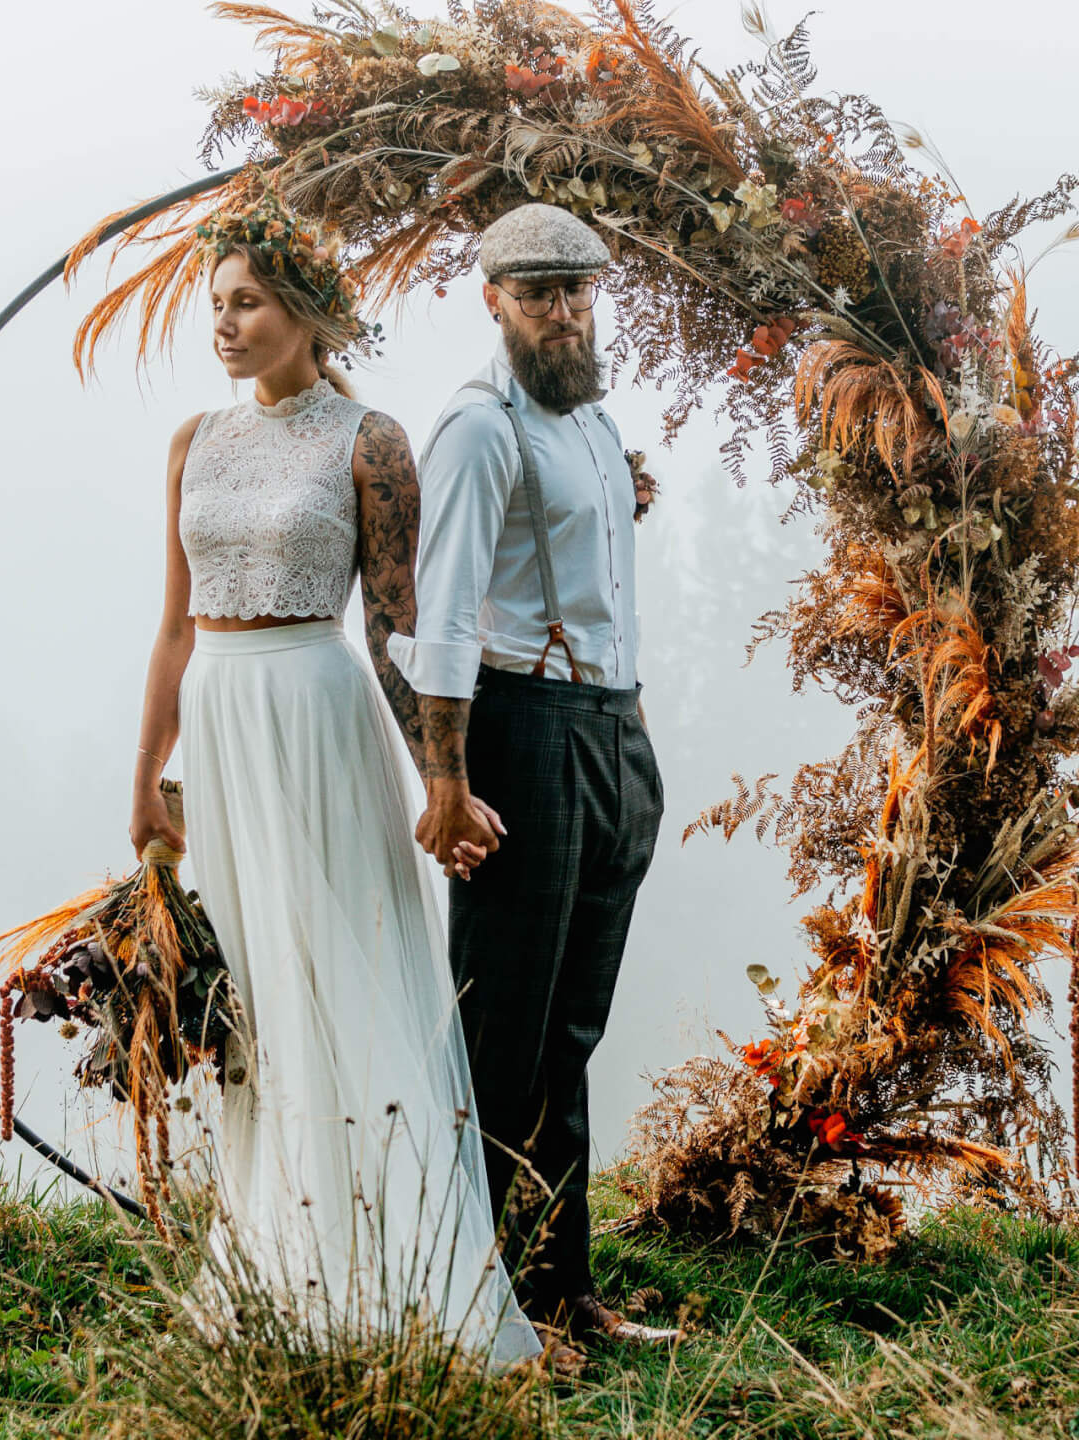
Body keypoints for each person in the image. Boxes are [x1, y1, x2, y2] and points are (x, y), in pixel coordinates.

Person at [123, 191, 555, 1372]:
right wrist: (148, 775)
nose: (225, 324)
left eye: (249, 303)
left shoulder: (370, 442)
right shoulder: (193, 443)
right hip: (221, 723)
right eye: (217, 305)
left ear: (310, 312)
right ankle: (279, 1259)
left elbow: (394, 625)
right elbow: (173, 628)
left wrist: (441, 783)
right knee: (257, 993)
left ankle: (393, 1269)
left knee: (337, 972)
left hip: (316, 713)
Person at [388, 202, 679, 1346]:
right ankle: (474, 1305)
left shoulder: (595, 426)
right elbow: (446, 615)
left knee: (571, 1037)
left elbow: (611, 597)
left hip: (610, 736)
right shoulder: (477, 428)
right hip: (521, 734)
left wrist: (633, 738)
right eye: (540, 293)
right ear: (495, 301)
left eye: (579, 290)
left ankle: (562, 1295)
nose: (565, 311)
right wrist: (445, 783)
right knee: (501, 1037)